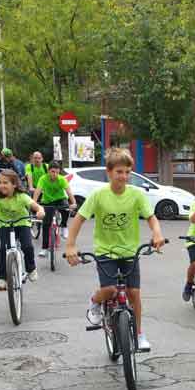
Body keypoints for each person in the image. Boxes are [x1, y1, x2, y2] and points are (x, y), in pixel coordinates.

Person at [65, 148, 166, 352]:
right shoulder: (99, 195)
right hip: (106, 252)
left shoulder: (136, 194)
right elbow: (79, 219)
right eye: (119, 171)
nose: (124, 176)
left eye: (128, 172)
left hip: (129, 252)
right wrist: (71, 245)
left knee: (134, 293)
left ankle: (139, 334)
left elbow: (151, 217)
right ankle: (95, 301)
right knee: (110, 290)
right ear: (109, 172)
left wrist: (157, 233)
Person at [0, 170, 43, 291]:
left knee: (27, 246)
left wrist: (40, 211)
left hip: (22, 223)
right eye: (0, 182)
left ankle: (31, 268)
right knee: (2, 250)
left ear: (14, 184)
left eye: (5, 183)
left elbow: (36, 206)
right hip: (5, 225)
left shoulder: (21, 196)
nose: (2, 185)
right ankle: (2, 279)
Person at [32, 161, 76, 256]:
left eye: (57, 172)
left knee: (66, 209)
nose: (54, 174)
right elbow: (38, 191)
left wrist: (73, 203)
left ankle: (63, 226)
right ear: (48, 171)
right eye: (52, 171)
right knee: (46, 224)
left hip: (60, 199)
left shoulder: (61, 179)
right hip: (47, 201)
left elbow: (69, 191)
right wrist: (34, 203)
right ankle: (44, 249)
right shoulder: (43, 179)